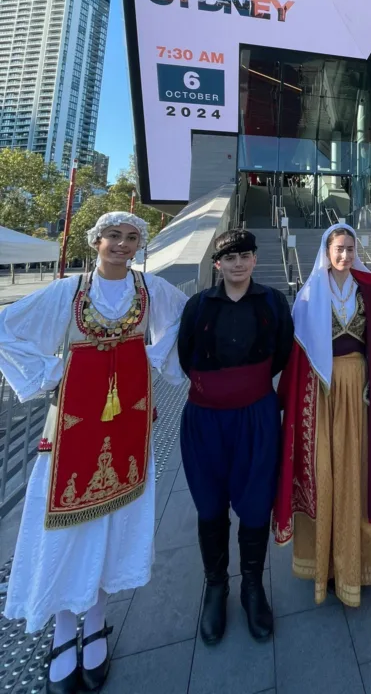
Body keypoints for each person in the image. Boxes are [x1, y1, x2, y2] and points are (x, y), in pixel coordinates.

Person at [0, 212, 187, 694]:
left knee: (114, 524)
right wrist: (51, 373)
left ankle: (98, 619)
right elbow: (7, 326)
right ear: (97, 240)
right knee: (65, 525)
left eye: (131, 238)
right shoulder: (69, 292)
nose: (123, 245)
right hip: (71, 430)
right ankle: (64, 627)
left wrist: (154, 356)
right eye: (114, 237)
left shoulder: (151, 291)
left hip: (129, 425)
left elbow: (187, 317)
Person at [273, 225, 371, 607]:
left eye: (349, 248)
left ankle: (359, 555)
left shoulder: (367, 290)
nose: (344, 255)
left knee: (357, 467)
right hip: (321, 392)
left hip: (358, 387)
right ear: (327, 252)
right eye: (338, 249)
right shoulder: (309, 294)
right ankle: (323, 560)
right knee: (324, 470)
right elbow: (297, 353)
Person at [177, 229, 294, 645]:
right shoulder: (197, 306)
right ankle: (215, 586)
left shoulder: (273, 303)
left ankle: (251, 586)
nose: (238, 263)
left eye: (245, 255)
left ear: (255, 260)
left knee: (256, 502)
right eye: (230, 257)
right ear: (217, 264)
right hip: (205, 420)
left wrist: (248, 388)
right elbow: (184, 354)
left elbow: (282, 354)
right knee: (210, 505)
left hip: (257, 418)